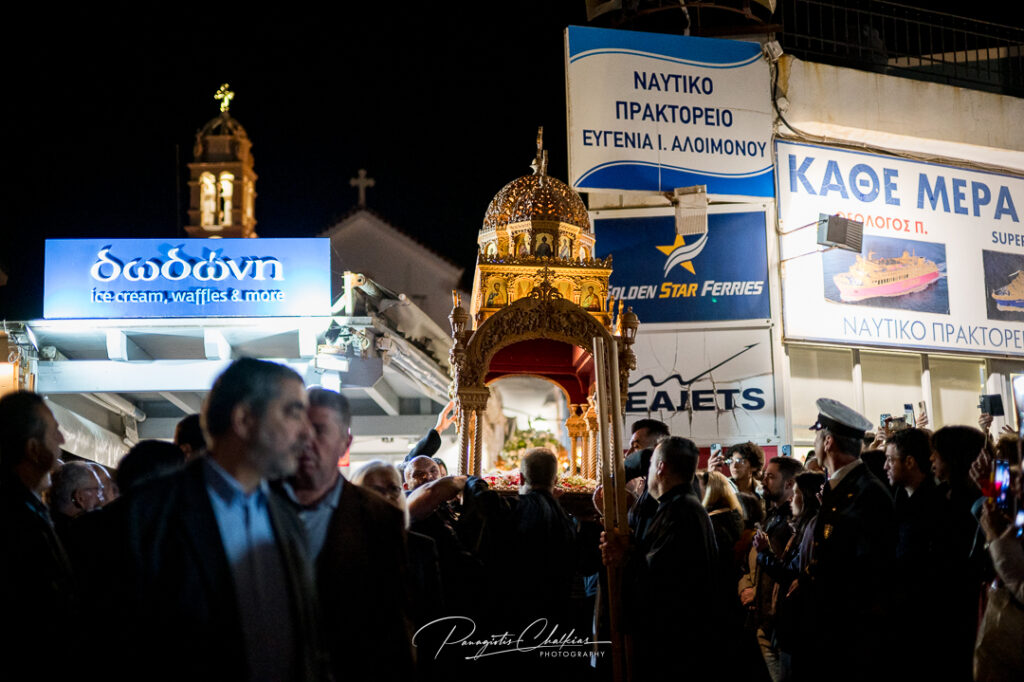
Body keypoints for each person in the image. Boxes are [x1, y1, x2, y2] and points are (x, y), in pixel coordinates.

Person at [99, 358, 326, 681]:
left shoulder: (288, 518)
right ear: (244, 419)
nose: (307, 432)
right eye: (293, 413)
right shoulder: (146, 517)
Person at [282, 387, 414, 682]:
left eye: (319, 431)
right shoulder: (256, 503)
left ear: (345, 443)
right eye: (298, 430)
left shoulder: (379, 517)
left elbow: (391, 618)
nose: (306, 441)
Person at [601, 436, 722, 682]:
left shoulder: (682, 511)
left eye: (650, 465)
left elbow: (663, 578)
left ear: (660, 467)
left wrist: (625, 556)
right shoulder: (676, 506)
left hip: (675, 643)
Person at [797, 398, 895, 682]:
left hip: (849, 632)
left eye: (817, 437)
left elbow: (868, 568)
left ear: (828, 442)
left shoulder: (867, 492)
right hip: (831, 626)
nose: (815, 443)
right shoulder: (842, 487)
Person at [0, 391, 76, 678]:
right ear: (33, 449)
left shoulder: (28, 507)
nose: (62, 440)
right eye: (54, 432)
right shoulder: (14, 519)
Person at [883, 427, 963, 680]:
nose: (885, 466)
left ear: (909, 462)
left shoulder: (938, 506)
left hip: (927, 624)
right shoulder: (898, 498)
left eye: (890, 460)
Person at [741, 455, 803, 681]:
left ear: (789, 484)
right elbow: (751, 563)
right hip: (762, 618)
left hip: (778, 623)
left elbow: (786, 571)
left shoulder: (793, 524)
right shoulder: (771, 517)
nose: (763, 482)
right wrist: (747, 587)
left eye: (770, 477)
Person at [49, 460, 104, 544]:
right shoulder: (83, 539)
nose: (102, 497)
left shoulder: (44, 527)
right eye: (98, 489)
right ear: (80, 497)